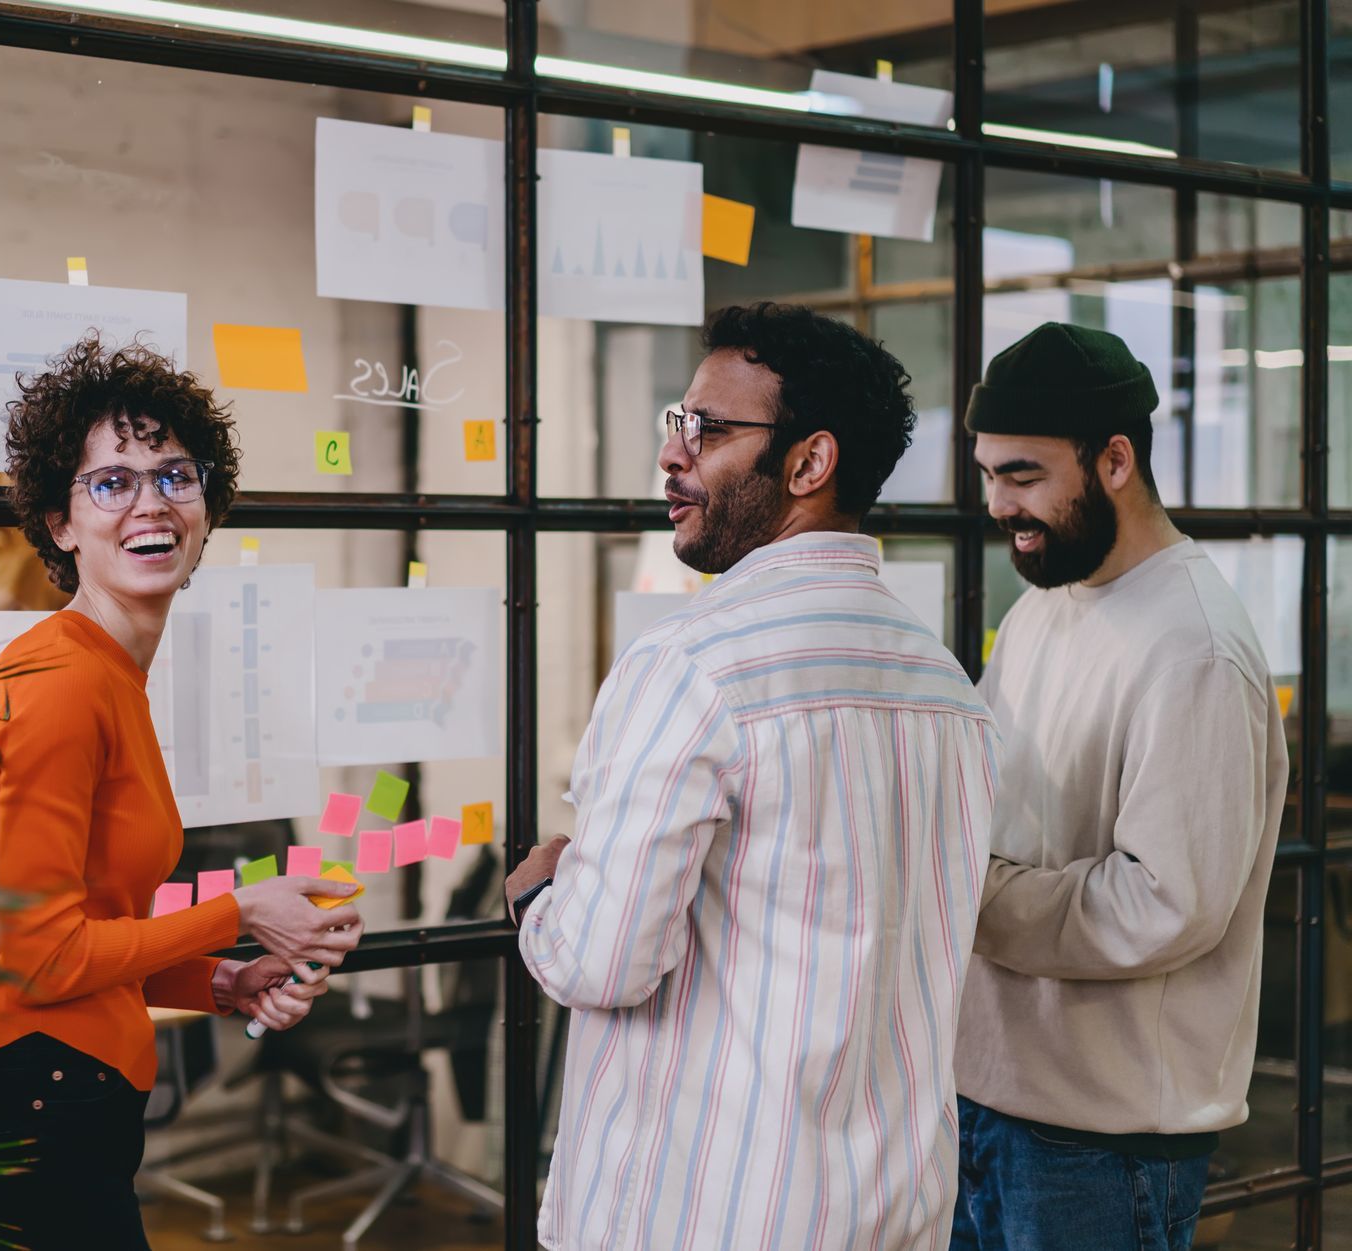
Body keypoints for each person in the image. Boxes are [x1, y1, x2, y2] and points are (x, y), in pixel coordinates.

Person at [509, 302, 999, 1250]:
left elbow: (601, 959)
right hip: (893, 1213)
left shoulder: (691, 667)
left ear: (810, 463)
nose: (672, 454)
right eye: (676, 420)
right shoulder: (948, 687)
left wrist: (540, 894)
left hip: (705, 1215)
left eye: (710, 428)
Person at [0, 337, 364, 1251]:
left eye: (174, 475)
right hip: (35, 1125)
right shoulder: (62, 685)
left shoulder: (105, 676)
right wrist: (240, 908)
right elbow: (41, 961)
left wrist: (226, 981)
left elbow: (91, 928)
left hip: (68, 1116)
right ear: (59, 521)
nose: (150, 504)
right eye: (111, 483)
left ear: (207, 505)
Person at [953, 323, 1286, 1250]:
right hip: (985, 1106)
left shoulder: (1196, 649)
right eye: (988, 475)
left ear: (1114, 460)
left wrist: (971, 897)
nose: (998, 503)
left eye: (1022, 475)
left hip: (1100, 1147)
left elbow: (1166, 901)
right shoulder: (1040, 606)